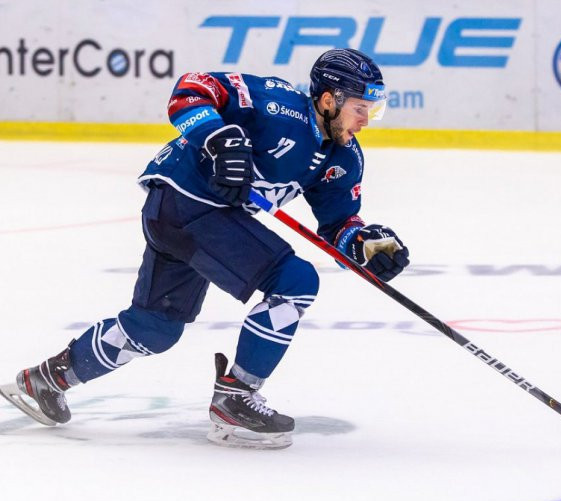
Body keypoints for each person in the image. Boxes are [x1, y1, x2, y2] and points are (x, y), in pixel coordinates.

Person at [0, 48, 410, 449]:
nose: (365, 121)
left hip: (187, 217)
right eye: (360, 109)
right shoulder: (276, 105)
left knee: (155, 328)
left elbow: (338, 224)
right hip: (185, 202)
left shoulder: (344, 158)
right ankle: (236, 396)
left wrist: (364, 246)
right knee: (296, 281)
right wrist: (220, 139)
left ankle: (46, 380)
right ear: (328, 100)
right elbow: (191, 88)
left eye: (372, 111)